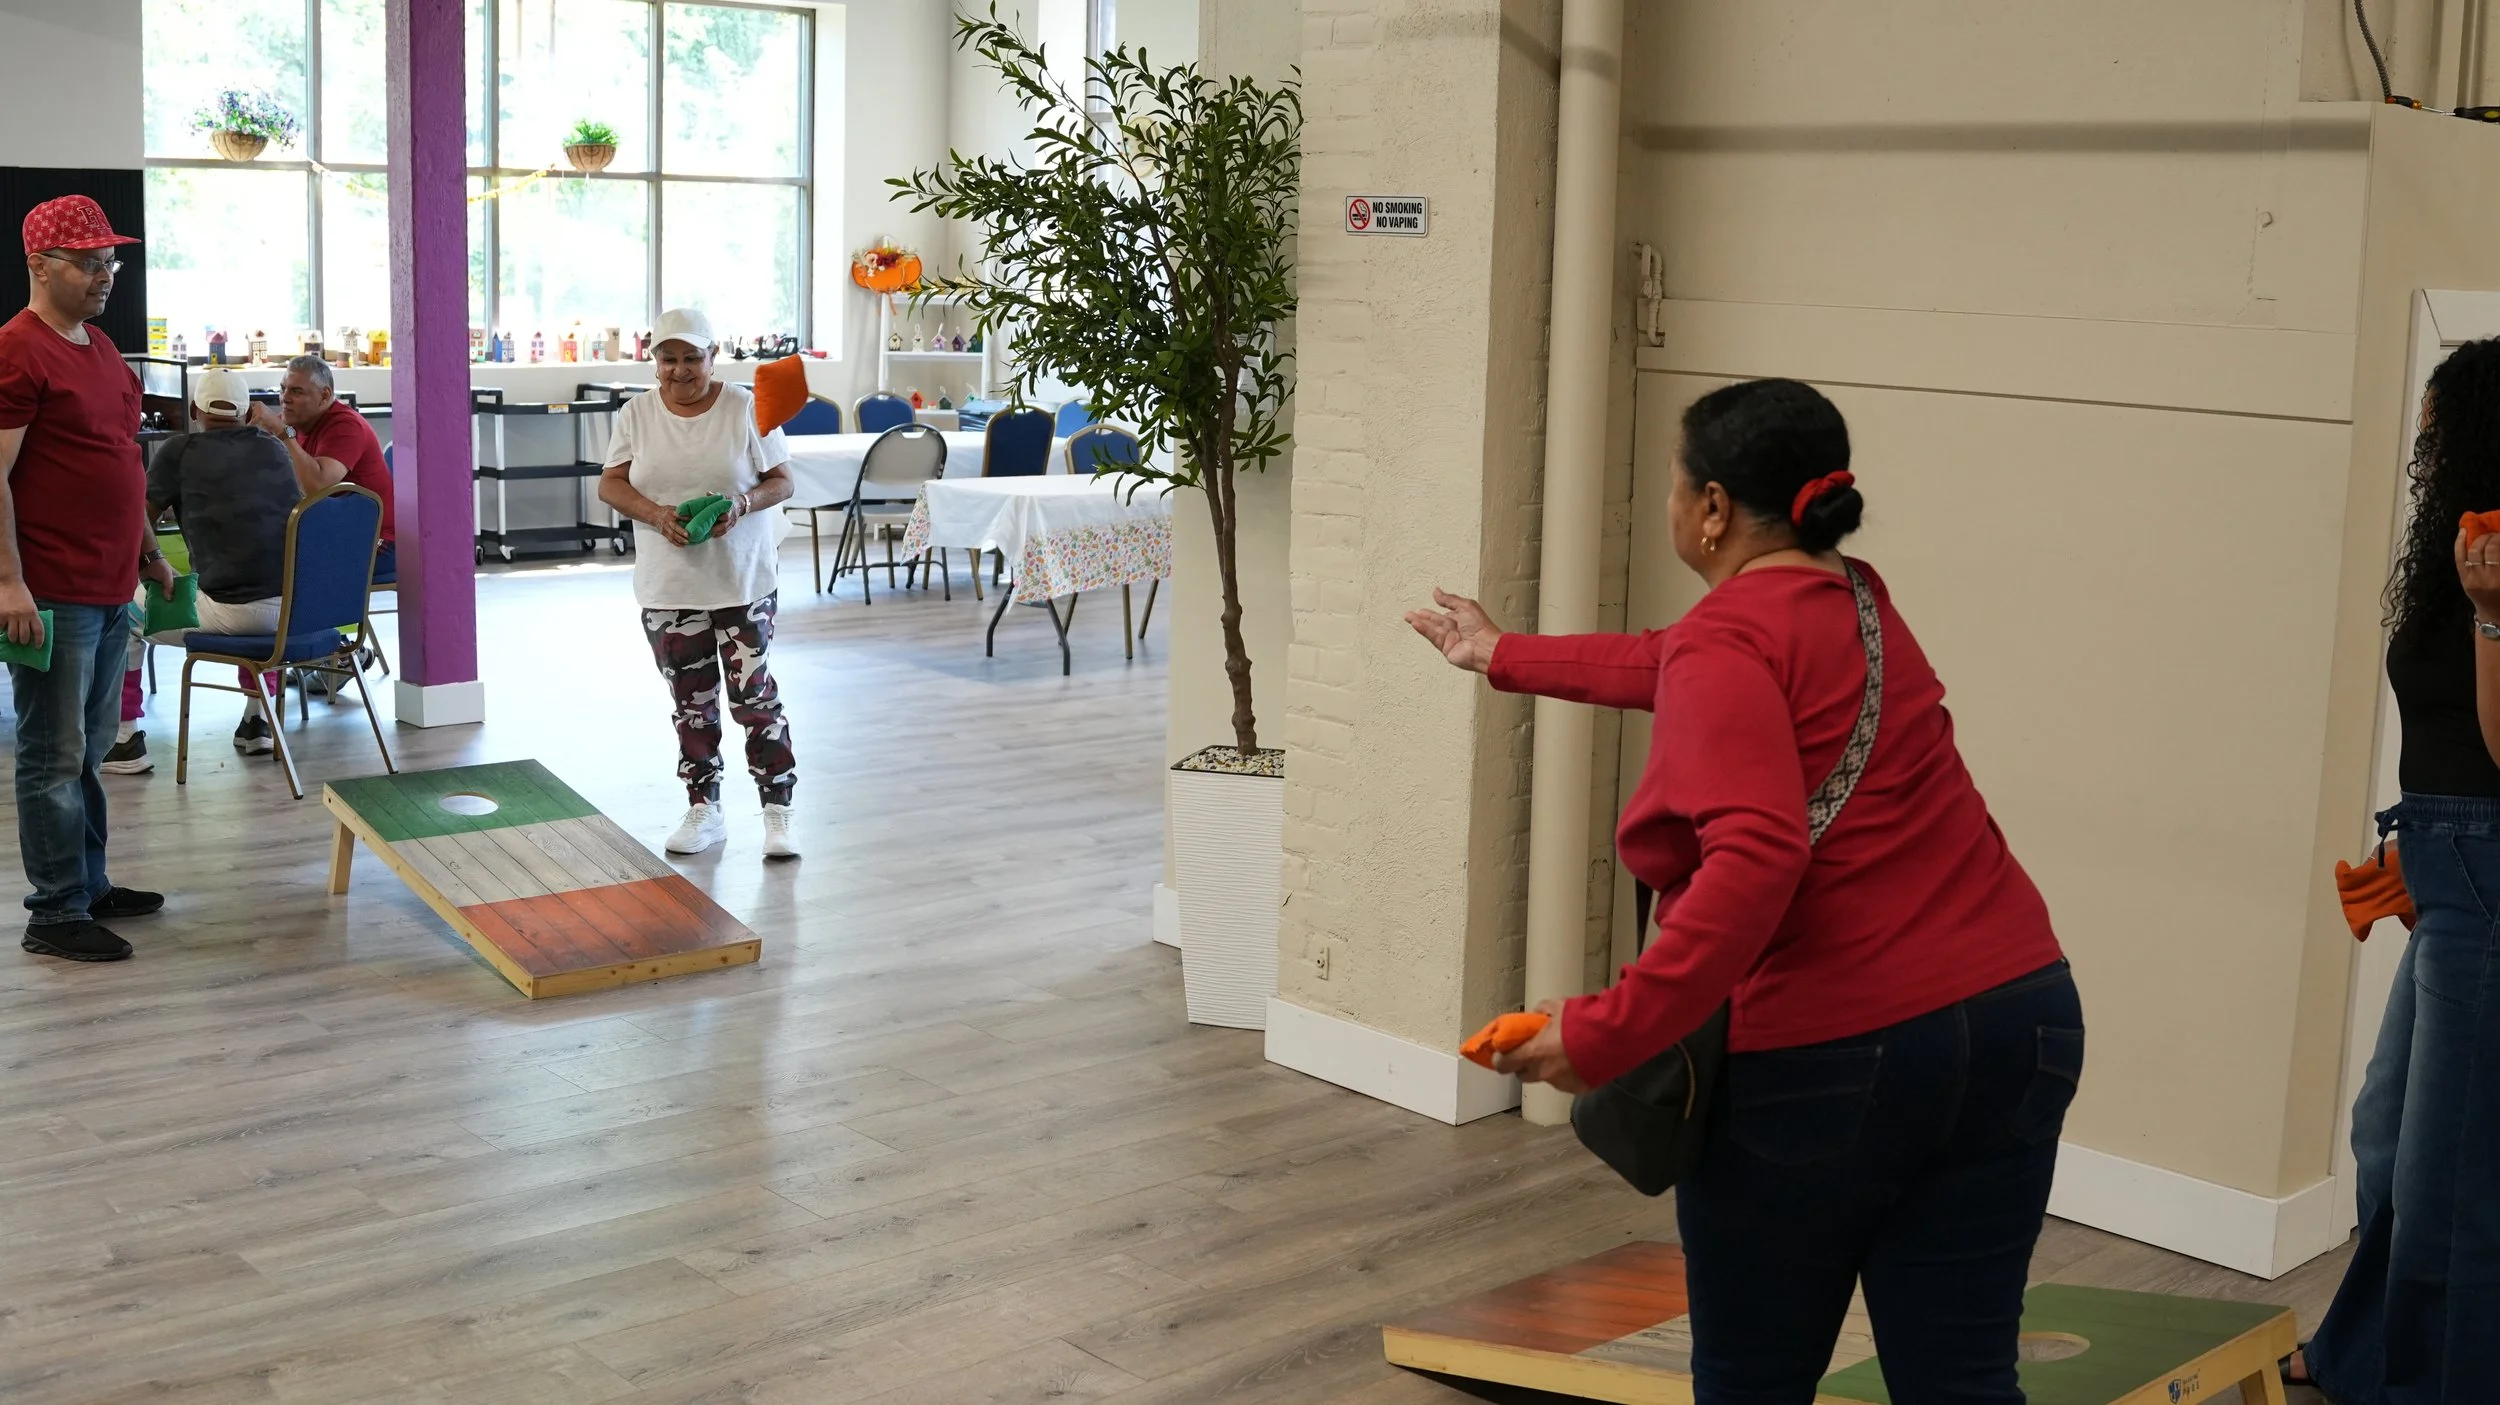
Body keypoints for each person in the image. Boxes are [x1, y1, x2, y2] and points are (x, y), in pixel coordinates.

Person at [1409, 378, 2080, 1402]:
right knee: (1962, 1380)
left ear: (1713, 507)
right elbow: (1678, 661)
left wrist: (1600, 1031)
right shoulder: (1857, 597)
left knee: (1750, 1382)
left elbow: (1757, 856)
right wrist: (1500, 651)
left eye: (1679, 488)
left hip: (1834, 1056)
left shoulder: (1731, 638)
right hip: (2017, 1017)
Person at [2293, 338, 2500, 1405]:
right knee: (2384, 1131)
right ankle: (2363, 1354)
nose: (2418, 438)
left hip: (2485, 859)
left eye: (2433, 421)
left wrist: (2491, 612)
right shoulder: (2459, 542)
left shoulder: (2493, 555)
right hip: (2443, 847)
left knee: (2449, 1176)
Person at [0, 195, 172, 963]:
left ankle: (89, 882)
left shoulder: (100, 348)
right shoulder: (16, 349)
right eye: (90, 262)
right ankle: (56, 911)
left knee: (92, 746)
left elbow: (123, 459)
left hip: (110, 585)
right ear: (40, 266)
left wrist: (148, 550)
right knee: (52, 753)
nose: (107, 275)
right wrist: (10, 586)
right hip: (51, 589)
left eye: (112, 261)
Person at [596, 307, 800, 860]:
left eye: (692, 358)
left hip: (742, 582)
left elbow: (782, 480)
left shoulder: (745, 406)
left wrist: (742, 502)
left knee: (754, 699)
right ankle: (704, 807)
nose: (680, 370)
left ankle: (777, 811)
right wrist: (657, 514)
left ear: (713, 358)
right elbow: (611, 485)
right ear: (654, 361)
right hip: (669, 587)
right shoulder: (636, 414)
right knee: (692, 703)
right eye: (669, 359)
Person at [137, 367, 303, 757]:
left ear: (195, 410)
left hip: (229, 613)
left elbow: (136, 519)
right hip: (294, 612)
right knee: (250, 590)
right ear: (248, 415)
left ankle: (125, 738)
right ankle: (256, 720)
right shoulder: (275, 448)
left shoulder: (178, 451)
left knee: (121, 609)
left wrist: (155, 558)